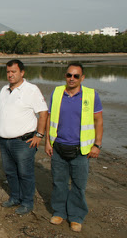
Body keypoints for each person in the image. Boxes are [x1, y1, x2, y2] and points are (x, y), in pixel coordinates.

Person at [45, 62, 103, 232]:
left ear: (82, 78)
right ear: (65, 76)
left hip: (80, 150)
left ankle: (76, 217)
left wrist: (97, 145)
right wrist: (48, 142)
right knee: (59, 182)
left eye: (76, 76)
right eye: (69, 75)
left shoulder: (91, 95)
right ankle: (59, 212)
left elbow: (98, 121)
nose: (72, 78)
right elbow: (49, 118)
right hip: (58, 147)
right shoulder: (56, 93)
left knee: (78, 185)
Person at [0, 59, 48, 215]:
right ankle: (15, 198)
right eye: (8, 72)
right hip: (4, 141)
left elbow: (43, 113)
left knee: (25, 173)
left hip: (23, 142)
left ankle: (27, 202)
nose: (10, 75)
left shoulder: (31, 89)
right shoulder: (4, 90)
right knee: (10, 171)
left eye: (14, 72)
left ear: (22, 72)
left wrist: (39, 135)